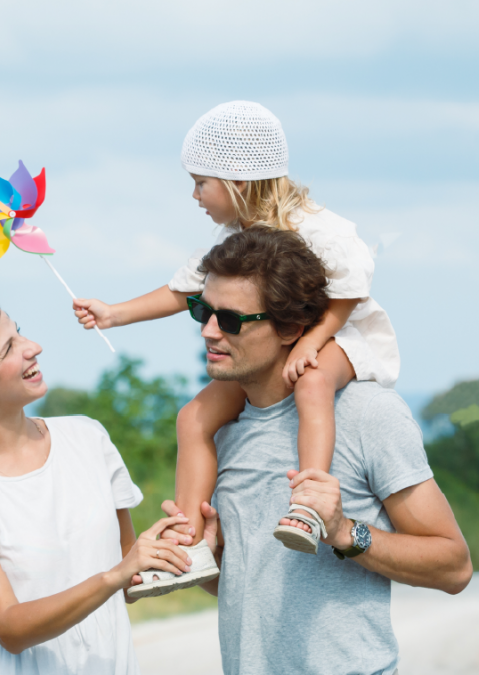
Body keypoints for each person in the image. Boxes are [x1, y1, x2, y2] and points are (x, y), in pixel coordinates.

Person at [73, 102, 400, 591]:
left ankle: (308, 507)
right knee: (193, 418)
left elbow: (351, 289)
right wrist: (114, 313)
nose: (195, 194)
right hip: (271, 348)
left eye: (201, 182)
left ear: (238, 182)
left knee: (312, 385)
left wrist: (312, 339)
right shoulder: (232, 238)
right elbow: (183, 289)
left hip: (338, 333)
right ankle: (188, 546)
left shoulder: (316, 227)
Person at [159, 227, 471, 674]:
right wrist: (209, 561)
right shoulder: (218, 435)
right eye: (201, 311)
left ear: (290, 328)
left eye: (228, 320)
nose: (208, 331)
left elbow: (453, 567)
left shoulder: (368, 415)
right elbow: (250, 592)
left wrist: (345, 532)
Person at [0, 283, 209, 674]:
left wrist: (177, 548)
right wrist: (116, 574)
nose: (33, 347)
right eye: (9, 348)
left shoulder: (88, 438)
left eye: (19, 332)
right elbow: (9, 627)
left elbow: (128, 576)